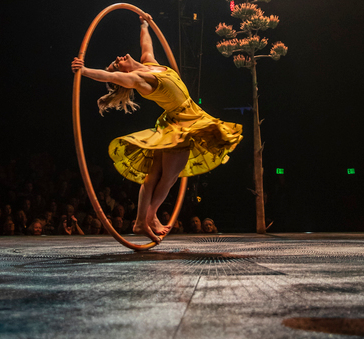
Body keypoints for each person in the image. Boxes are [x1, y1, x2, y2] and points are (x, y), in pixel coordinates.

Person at [72, 13, 242, 243]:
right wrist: (84, 71)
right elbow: (108, 76)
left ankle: (143, 220)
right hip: (181, 124)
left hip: (180, 119)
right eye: (117, 64)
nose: (118, 58)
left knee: (156, 175)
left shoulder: (149, 64)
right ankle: (147, 218)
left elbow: (146, 44)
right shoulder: (138, 80)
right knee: (169, 178)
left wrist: (144, 23)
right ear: (123, 72)